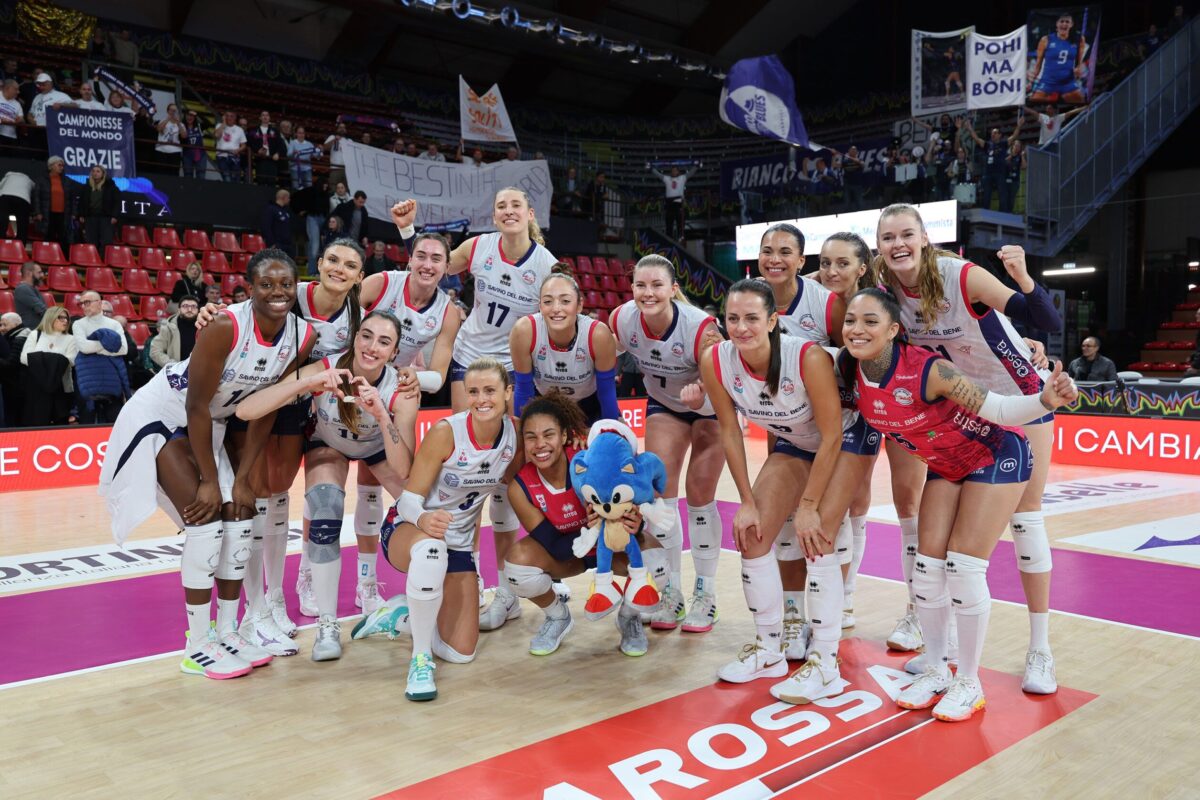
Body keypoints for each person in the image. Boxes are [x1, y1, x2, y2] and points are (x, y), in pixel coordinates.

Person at [841, 287, 1076, 721]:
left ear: (894, 329)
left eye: (870, 321)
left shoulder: (931, 371)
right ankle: (936, 666)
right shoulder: (848, 374)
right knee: (927, 571)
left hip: (998, 453)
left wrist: (1046, 400)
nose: (857, 329)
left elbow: (1001, 408)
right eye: (851, 321)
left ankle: (969, 681)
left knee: (963, 568)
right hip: (946, 465)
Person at [874, 204, 1064, 694]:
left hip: (1022, 394)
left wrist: (1023, 277)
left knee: (1027, 521)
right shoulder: (885, 291)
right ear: (878, 245)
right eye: (887, 236)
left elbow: (1043, 318)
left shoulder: (960, 276)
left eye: (906, 234)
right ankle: (948, 649)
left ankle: (1040, 651)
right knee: (948, 544)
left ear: (924, 238)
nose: (897, 244)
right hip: (963, 406)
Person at [99, 249, 315, 679]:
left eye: (286, 284)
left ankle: (229, 631)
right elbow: (196, 406)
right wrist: (209, 481)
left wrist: (246, 478)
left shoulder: (301, 335)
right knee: (207, 518)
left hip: (211, 422)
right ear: (249, 289)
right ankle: (196, 643)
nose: (277, 292)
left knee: (241, 512)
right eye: (266, 284)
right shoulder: (224, 326)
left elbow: (263, 408)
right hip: (163, 416)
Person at [699, 279, 871, 702]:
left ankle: (826, 662)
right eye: (733, 318)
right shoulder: (716, 360)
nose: (741, 327)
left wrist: (810, 506)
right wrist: (745, 501)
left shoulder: (806, 357)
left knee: (817, 538)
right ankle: (768, 649)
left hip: (847, 439)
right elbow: (729, 429)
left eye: (752, 318)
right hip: (795, 443)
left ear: (773, 321)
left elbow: (832, 436)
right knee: (753, 536)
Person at [393, 188, 556, 623]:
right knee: (467, 465)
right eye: (500, 205)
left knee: (504, 475)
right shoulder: (479, 246)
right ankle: (468, 569)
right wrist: (408, 230)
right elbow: (432, 266)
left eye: (514, 205)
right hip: (469, 361)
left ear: (528, 214)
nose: (506, 211)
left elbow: (563, 310)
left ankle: (506, 589)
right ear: (494, 214)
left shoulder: (545, 263)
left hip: (514, 370)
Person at [235, 312, 419, 661]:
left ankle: (429, 599)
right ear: (354, 338)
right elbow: (247, 410)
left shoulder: (401, 389)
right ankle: (328, 624)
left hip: (378, 447)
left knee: (424, 508)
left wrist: (381, 414)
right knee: (323, 510)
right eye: (366, 336)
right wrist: (309, 383)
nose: (372, 347)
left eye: (384, 342)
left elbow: (404, 467)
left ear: (395, 353)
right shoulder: (326, 366)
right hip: (328, 445)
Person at [374, 357, 517, 701]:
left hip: (459, 545)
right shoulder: (445, 432)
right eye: (473, 392)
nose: (481, 399)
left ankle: (401, 614)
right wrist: (424, 519)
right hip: (409, 529)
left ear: (507, 393)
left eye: (489, 391)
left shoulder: (515, 435)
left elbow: (512, 495)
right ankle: (420, 660)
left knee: (461, 653)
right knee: (430, 550)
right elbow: (408, 500)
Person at [609, 255, 725, 633]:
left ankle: (705, 596)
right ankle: (670, 593)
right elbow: (599, 356)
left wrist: (702, 397)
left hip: (712, 407)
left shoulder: (701, 329)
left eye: (657, 285)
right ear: (632, 289)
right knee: (657, 496)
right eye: (641, 285)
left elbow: (724, 382)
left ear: (673, 289)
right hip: (665, 403)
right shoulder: (622, 320)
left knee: (700, 494)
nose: (648, 292)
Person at [496, 399, 665, 657]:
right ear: (524, 443)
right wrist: (591, 530)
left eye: (549, 434)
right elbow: (552, 545)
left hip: (613, 547)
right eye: (531, 437)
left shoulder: (589, 462)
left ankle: (629, 617)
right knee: (517, 567)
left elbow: (633, 490)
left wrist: (635, 522)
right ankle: (558, 617)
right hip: (568, 554)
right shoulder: (519, 488)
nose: (540, 444)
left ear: (564, 435)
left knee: (658, 567)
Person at [815, 233, 879, 628]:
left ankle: (848, 591)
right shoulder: (809, 296)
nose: (831, 271)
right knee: (829, 502)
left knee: (860, 499)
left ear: (862, 267)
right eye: (824, 263)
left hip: (875, 406)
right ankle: (832, 592)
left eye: (842, 263)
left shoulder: (880, 301)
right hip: (828, 410)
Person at [510, 272, 621, 425]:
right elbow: (523, 389)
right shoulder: (524, 330)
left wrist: (610, 429)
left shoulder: (598, 334)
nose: (556, 308)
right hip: (543, 403)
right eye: (548, 301)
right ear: (540, 306)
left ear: (579, 305)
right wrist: (522, 432)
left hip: (589, 405)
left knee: (615, 438)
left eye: (565, 301)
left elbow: (607, 392)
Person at [72, 290, 128, 423]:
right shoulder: (78, 324)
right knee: (88, 422)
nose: (84, 306)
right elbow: (84, 348)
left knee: (113, 422)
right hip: (88, 379)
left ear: (99, 303)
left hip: (111, 379)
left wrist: (95, 348)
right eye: (81, 303)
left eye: (87, 302)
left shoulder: (114, 324)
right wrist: (109, 345)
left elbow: (123, 349)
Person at [19, 306, 77, 425]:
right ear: (50, 317)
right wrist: (55, 359)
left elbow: (71, 360)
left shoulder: (71, 339)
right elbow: (24, 358)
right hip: (36, 386)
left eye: (67, 318)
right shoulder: (35, 334)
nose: (65, 321)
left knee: (59, 423)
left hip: (60, 386)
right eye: (60, 318)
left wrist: (40, 358)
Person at [1029, 13, 1089, 104]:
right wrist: (1032, 81)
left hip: (1068, 82)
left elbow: (1079, 63)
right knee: (1033, 102)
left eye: (1067, 22)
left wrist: (1078, 70)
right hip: (1048, 82)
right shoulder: (1046, 40)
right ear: (1057, 24)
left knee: (1083, 105)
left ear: (1071, 25)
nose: (1064, 24)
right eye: (1062, 21)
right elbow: (1038, 65)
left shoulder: (1079, 40)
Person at [964, 120, 1021, 211]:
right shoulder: (987, 144)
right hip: (988, 174)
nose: (992, 135)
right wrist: (970, 128)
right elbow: (976, 139)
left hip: (1000, 173)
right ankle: (986, 212)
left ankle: (1003, 214)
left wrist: (1019, 125)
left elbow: (1014, 136)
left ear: (999, 135)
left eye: (995, 133)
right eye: (992, 133)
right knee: (987, 194)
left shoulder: (1003, 144)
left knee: (1002, 194)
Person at [650, 163, 697, 241]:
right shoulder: (667, 178)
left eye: (675, 170)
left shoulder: (682, 178)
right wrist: (651, 168)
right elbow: (658, 174)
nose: (674, 172)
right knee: (669, 223)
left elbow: (691, 173)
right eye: (672, 171)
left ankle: (680, 237)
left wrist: (696, 166)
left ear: (678, 172)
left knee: (680, 223)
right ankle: (669, 239)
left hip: (678, 203)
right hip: (669, 203)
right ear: (671, 172)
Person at [150, 295, 200, 369]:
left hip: (201, 371)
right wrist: (174, 366)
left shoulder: (206, 327)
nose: (189, 309)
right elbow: (155, 351)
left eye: (193, 306)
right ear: (179, 309)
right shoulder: (168, 327)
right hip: (176, 374)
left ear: (198, 310)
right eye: (185, 306)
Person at [77, 164, 118, 251]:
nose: (95, 173)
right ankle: (92, 261)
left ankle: (103, 261)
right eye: (93, 171)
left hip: (106, 218)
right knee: (91, 241)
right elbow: (82, 202)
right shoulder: (87, 187)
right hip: (90, 217)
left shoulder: (111, 187)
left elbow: (116, 202)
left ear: (103, 174)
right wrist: (81, 214)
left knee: (105, 241)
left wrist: (114, 216)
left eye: (98, 171)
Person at [0, 311, 30, 426]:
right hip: (16, 385)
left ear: (16, 324)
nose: (2, 328)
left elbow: (12, 364)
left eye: (4, 325)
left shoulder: (19, 339)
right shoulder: (15, 336)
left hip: (18, 386)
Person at [35, 156, 72, 246]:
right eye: (59, 165)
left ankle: (64, 258)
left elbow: (71, 198)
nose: (61, 167)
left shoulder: (67, 181)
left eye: (63, 166)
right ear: (51, 166)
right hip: (47, 213)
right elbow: (36, 197)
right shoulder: (41, 180)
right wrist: (37, 212)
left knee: (64, 238)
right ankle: (48, 257)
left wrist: (73, 213)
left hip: (63, 214)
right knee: (48, 235)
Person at [1024, 102, 1088, 147]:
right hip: (1042, 144)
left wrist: (1083, 108)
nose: (1047, 109)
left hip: (1053, 144)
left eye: (1049, 108)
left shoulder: (1058, 118)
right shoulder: (1043, 117)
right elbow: (1033, 112)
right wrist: (1024, 107)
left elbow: (1071, 112)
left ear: (1053, 110)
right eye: (1047, 108)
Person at [247, 111, 284, 186]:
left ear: (269, 118)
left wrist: (277, 153)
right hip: (260, 160)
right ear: (260, 118)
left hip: (272, 160)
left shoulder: (275, 131)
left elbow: (280, 144)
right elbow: (249, 143)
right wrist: (257, 150)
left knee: (272, 182)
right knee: (261, 182)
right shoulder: (253, 131)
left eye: (267, 115)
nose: (265, 117)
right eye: (263, 115)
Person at [0, 168, 36, 241]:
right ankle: (20, 244)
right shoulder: (29, 180)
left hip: (6, 196)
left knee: (2, 219)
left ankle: (1, 239)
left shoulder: (8, 177)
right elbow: (34, 189)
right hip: (23, 198)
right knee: (22, 223)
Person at [214, 110, 247, 182]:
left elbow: (244, 145)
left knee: (236, 179)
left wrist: (238, 150)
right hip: (222, 156)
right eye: (227, 116)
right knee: (227, 178)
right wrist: (223, 123)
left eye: (231, 116)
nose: (229, 118)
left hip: (234, 157)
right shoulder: (219, 125)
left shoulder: (239, 129)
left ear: (235, 118)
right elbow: (217, 135)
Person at [260, 189, 294, 257]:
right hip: (276, 245)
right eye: (288, 197)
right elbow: (266, 227)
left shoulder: (286, 211)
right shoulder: (270, 209)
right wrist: (271, 243)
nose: (289, 200)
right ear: (283, 197)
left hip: (287, 246)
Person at [14, 261, 46, 329]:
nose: (42, 275)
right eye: (39, 272)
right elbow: (42, 310)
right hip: (31, 331)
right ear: (29, 273)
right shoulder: (23, 289)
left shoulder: (32, 288)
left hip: (37, 329)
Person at [154, 103, 183, 175]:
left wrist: (178, 123)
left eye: (175, 110)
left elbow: (184, 135)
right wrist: (168, 119)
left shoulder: (180, 124)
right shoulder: (163, 121)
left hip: (175, 152)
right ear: (168, 111)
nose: (173, 112)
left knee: (174, 174)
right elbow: (159, 129)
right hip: (161, 151)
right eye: (171, 110)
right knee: (161, 173)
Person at [180, 108, 206, 178]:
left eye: (192, 116)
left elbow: (208, 123)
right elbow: (181, 139)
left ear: (195, 117)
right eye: (188, 115)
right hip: (187, 154)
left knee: (201, 175)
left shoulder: (199, 126)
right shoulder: (182, 127)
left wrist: (197, 114)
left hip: (200, 154)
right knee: (188, 175)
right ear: (185, 116)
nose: (189, 117)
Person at [0, 79, 23, 158]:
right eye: (16, 89)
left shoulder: (17, 104)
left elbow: (21, 118)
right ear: (7, 88)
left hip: (11, 137)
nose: (18, 92)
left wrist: (20, 120)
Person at [323, 122, 349, 188]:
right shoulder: (332, 137)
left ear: (346, 130)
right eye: (340, 127)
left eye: (343, 128)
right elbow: (324, 148)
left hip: (347, 170)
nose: (342, 129)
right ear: (337, 129)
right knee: (333, 189)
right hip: (335, 168)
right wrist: (335, 139)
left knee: (346, 191)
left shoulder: (349, 140)